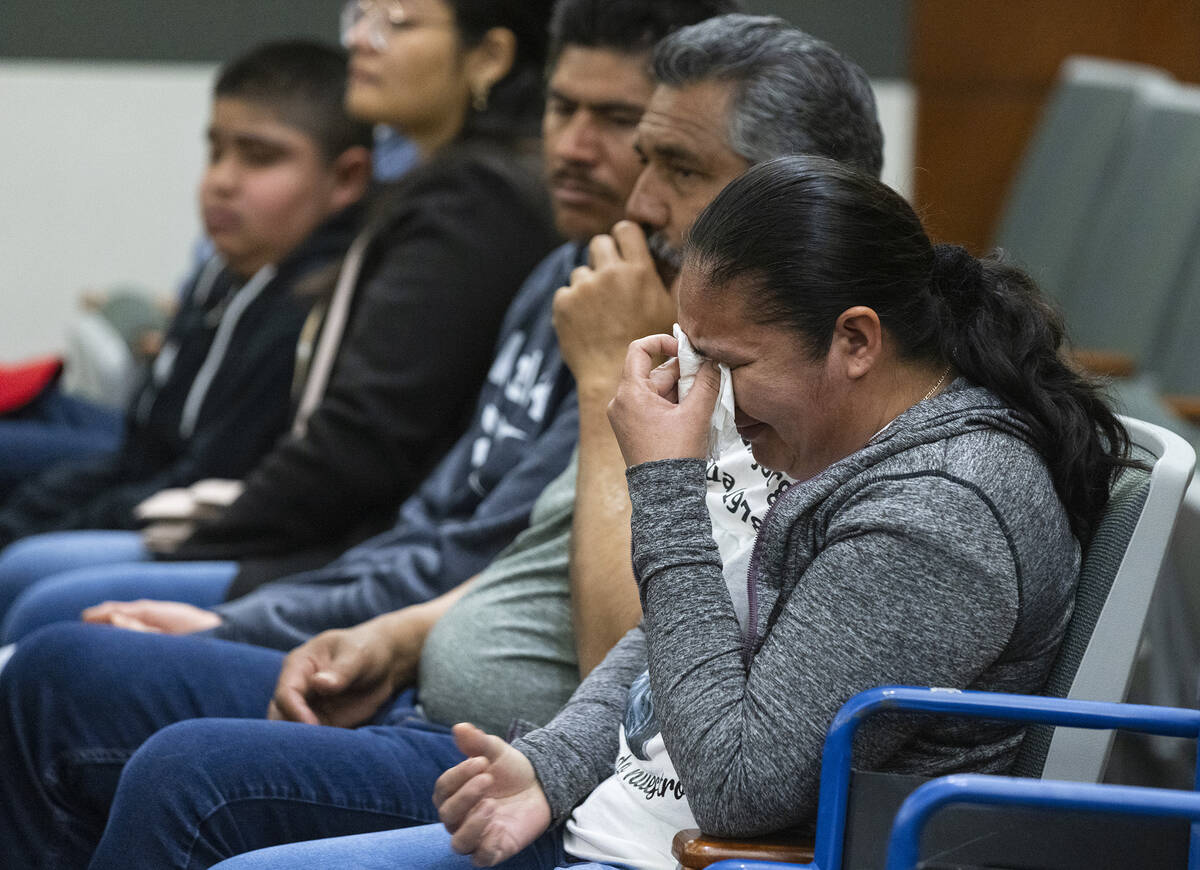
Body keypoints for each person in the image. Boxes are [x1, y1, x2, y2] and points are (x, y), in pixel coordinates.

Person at [206, 154, 1136, 870]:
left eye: (730, 366)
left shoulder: (935, 518)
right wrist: (553, 763)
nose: (713, 401)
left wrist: (662, 488)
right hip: (627, 820)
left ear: (856, 340)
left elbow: (738, 789)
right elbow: (691, 634)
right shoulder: (843, 433)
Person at [0, 0, 562, 635]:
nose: (360, 40)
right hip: (327, 534)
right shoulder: (436, 188)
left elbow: (363, 440)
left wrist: (210, 534)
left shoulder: (475, 204)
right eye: (358, 16)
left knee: (41, 588)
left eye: (396, 22)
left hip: (348, 552)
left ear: (489, 55)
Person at [0, 40, 374, 612]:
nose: (221, 181)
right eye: (215, 151)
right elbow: (140, 452)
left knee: (28, 571)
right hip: (154, 485)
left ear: (346, 179)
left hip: (213, 531)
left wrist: (40, 530)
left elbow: (197, 483)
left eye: (259, 157)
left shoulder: (308, 310)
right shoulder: (223, 275)